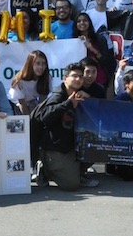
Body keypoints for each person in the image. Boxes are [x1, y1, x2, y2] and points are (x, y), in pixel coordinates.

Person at [33, 61, 99, 190]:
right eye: (74, 76)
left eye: (80, 76)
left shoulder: (80, 95)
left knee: (99, 145)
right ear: (65, 78)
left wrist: (88, 98)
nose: (78, 79)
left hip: (71, 144)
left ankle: (78, 172)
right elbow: (43, 117)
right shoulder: (58, 96)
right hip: (54, 147)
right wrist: (67, 104)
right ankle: (44, 169)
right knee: (71, 185)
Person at [10, 50, 52, 115]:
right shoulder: (20, 81)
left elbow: (42, 101)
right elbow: (22, 104)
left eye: (44, 64)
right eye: (37, 63)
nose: (41, 67)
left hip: (32, 103)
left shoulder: (47, 78)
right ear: (30, 64)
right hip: (16, 105)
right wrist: (29, 121)